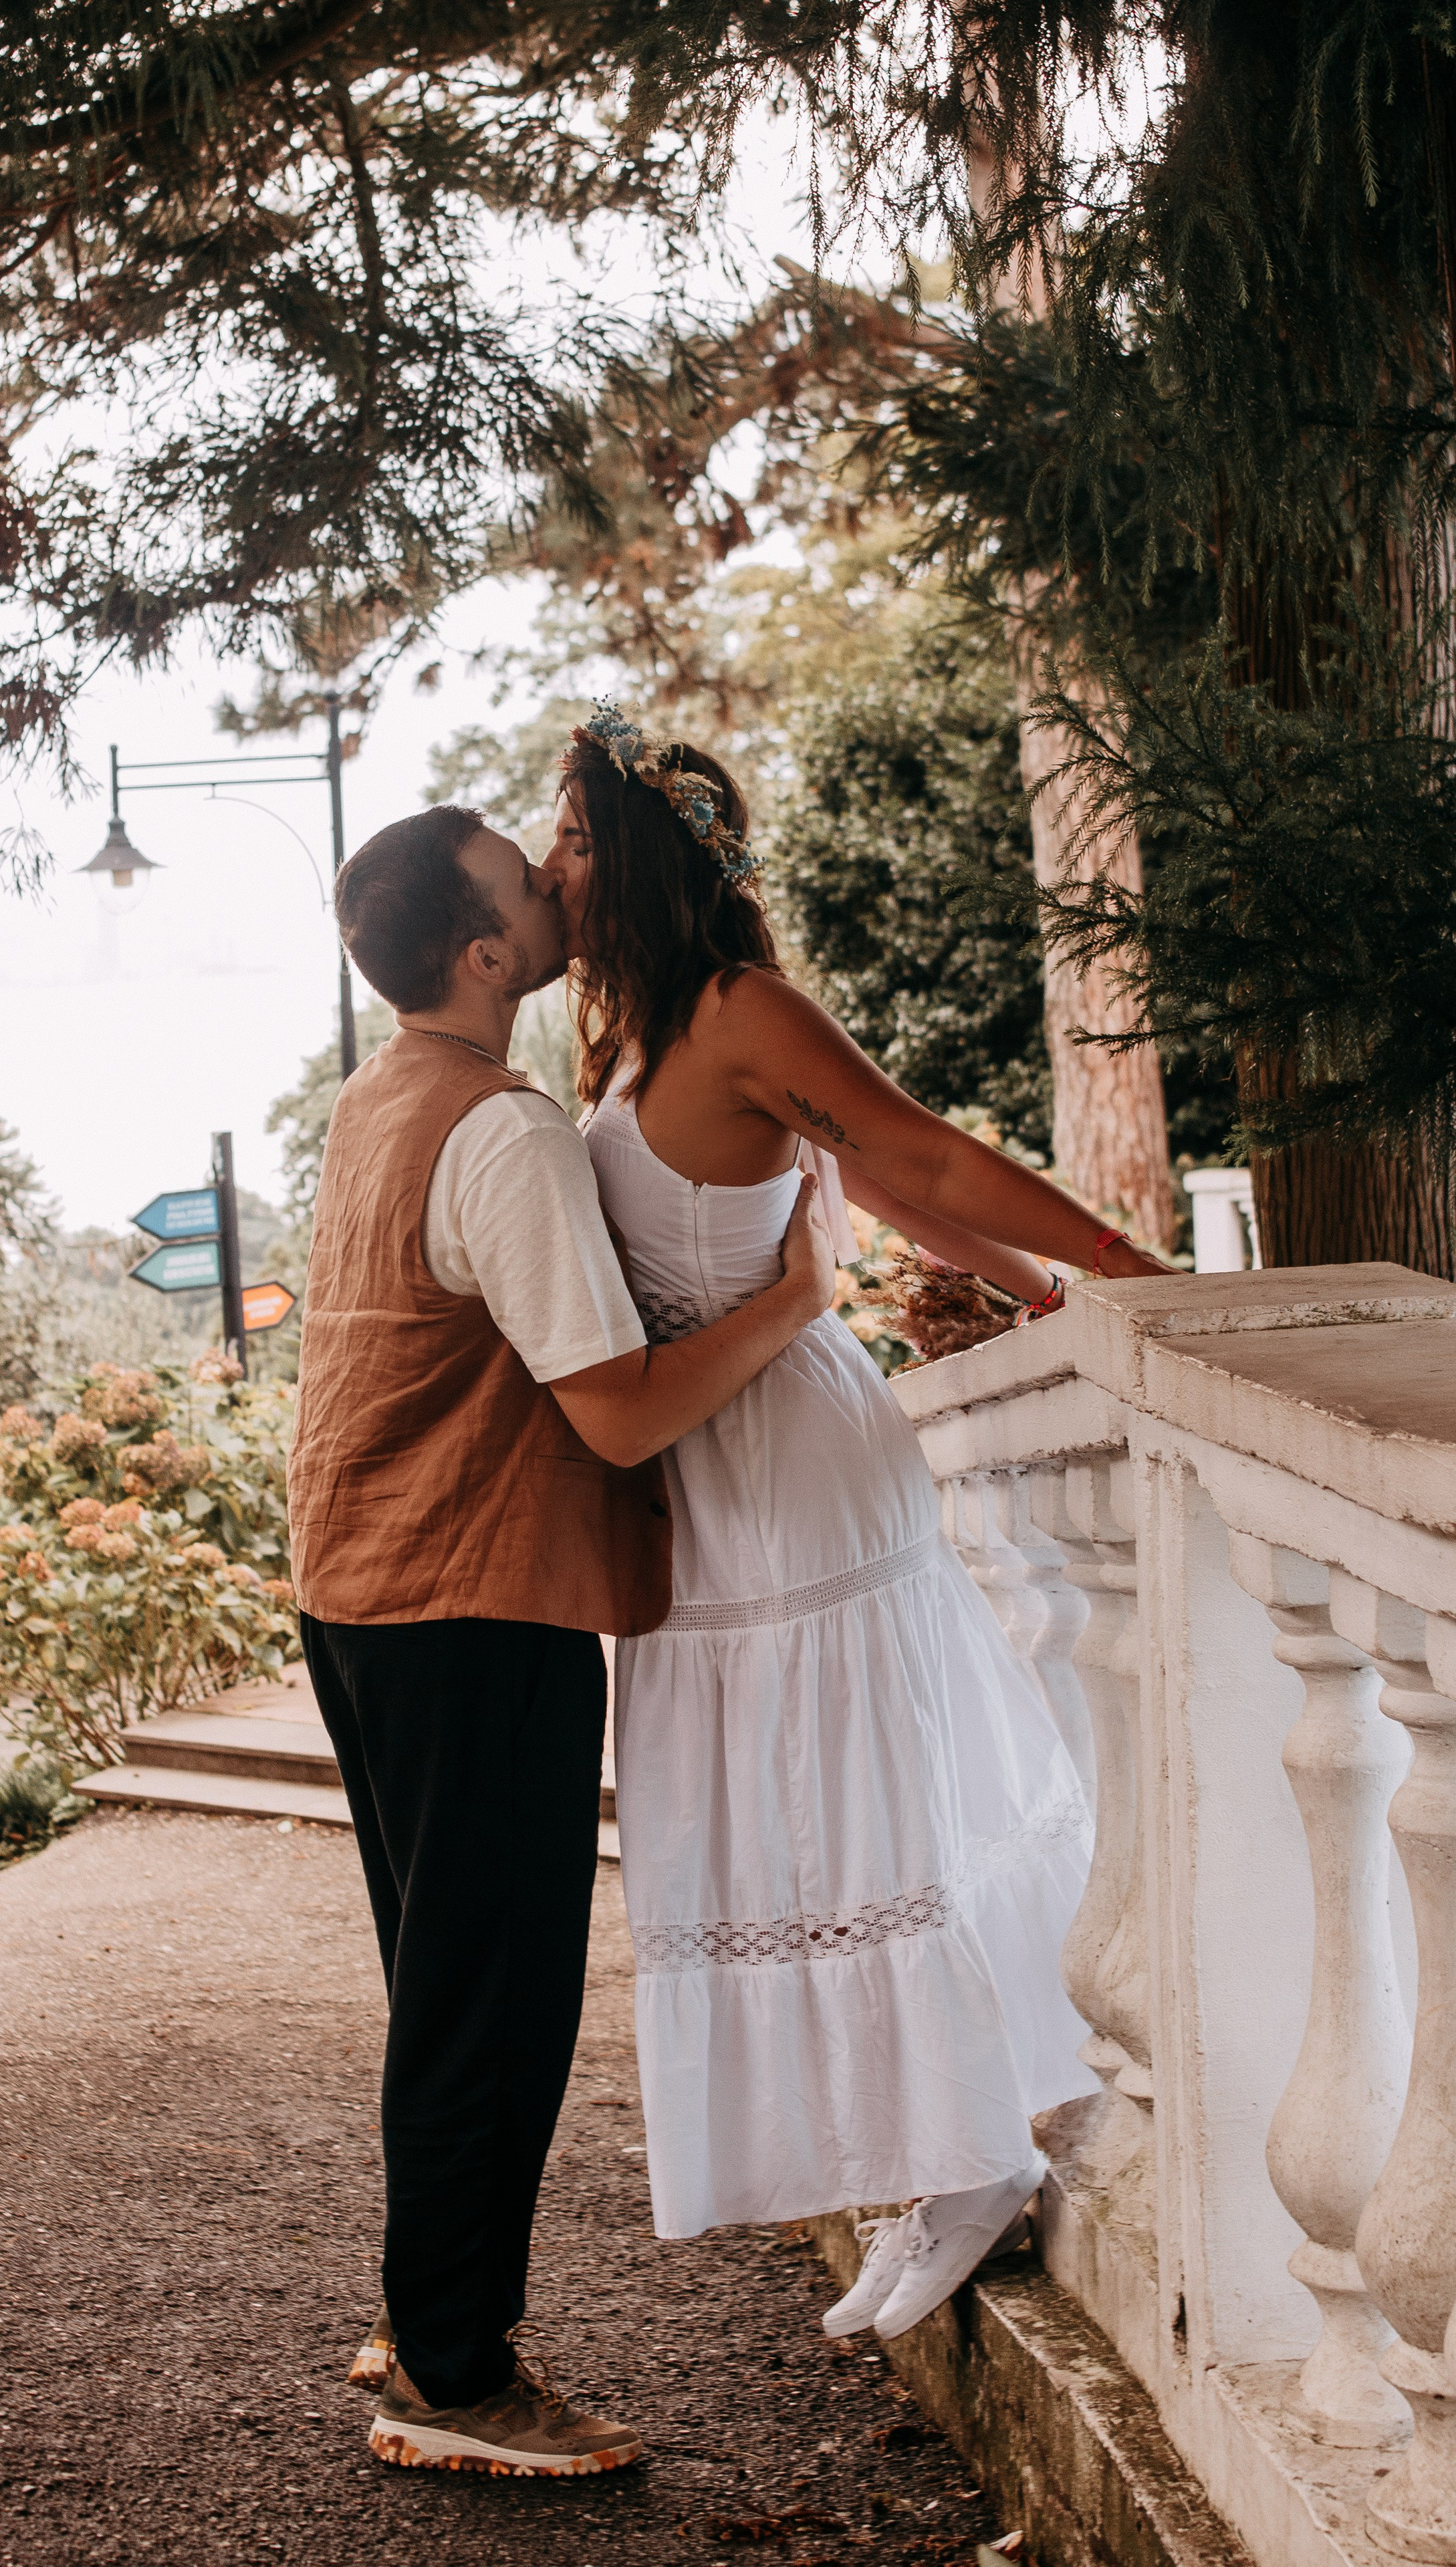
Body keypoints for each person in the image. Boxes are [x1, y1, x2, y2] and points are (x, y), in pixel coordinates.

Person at [539, 706, 1176, 2344]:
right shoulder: (631, 1038)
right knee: (785, 1824)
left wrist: (1106, 1274)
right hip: (703, 1482)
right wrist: (1030, 1289)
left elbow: (910, 1160)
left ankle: (968, 2156)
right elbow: (872, 1186)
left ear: (645, 860)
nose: (552, 868)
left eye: (577, 838)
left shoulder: (741, 1009)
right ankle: (921, 2148)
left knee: (863, 1806)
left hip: (797, 1466)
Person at [286, 802, 836, 2477]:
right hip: (470, 1601)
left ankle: (423, 2318)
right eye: (527, 885)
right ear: (483, 955)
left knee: (443, 1983)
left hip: (361, 1592)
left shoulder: (377, 1097)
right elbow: (616, 1413)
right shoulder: (502, 1131)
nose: (555, 880)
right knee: (495, 2001)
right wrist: (793, 1301)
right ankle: (453, 2380)